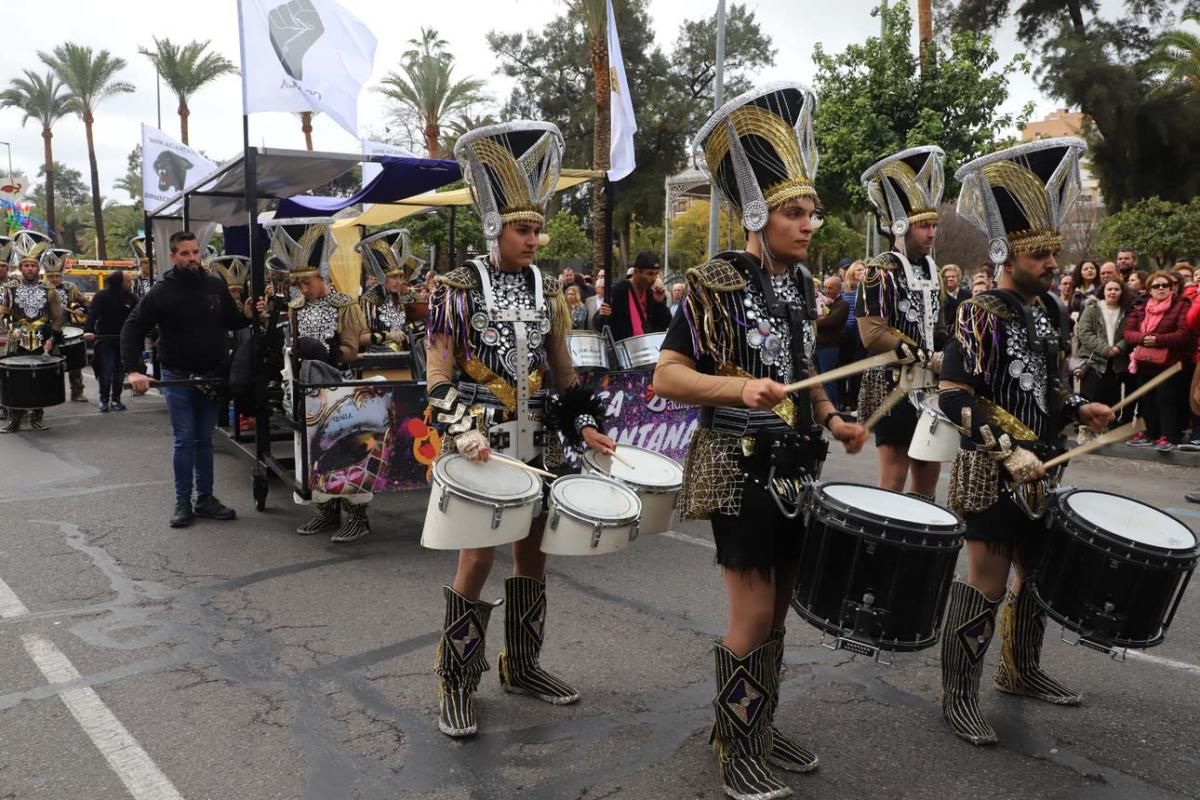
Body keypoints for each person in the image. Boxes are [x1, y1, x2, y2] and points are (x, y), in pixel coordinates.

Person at [653, 84, 867, 800]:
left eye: (813, 211)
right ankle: (733, 744)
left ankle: (758, 723)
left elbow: (805, 366)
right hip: (736, 462)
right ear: (757, 213)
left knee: (779, 610)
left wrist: (833, 417)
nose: (810, 223)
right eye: (795, 212)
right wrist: (737, 388)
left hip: (794, 465)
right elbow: (668, 376)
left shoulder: (802, 285)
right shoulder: (712, 282)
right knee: (749, 613)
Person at [426, 121, 615, 740]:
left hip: (539, 444)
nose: (535, 238)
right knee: (477, 557)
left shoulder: (548, 289)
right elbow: (437, 377)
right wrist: (462, 432)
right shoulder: (456, 291)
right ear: (495, 229)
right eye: (523, 228)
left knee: (534, 555)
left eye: (538, 227)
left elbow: (563, 373)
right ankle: (456, 680)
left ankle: (523, 665)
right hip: (480, 446)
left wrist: (584, 423)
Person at [937, 137, 1114, 747]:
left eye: (1054, 252)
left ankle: (1020, 670)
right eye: (1040, 254)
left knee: (1034, 577)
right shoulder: (978, 312)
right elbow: (953, 396)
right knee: (986, 584)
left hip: (1047, 466)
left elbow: (1047, 389)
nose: (1053, 264)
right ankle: (958, 697)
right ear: (1007, 253)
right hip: (992, 468)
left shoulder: (1053, 314)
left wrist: (1077, 407)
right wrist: (1007, 450)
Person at [122, 231, 256, 527]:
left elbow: (232, 322)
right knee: (185, 441)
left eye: (196, 252)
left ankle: (205, 498)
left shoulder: (214, 285)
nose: (192, 258)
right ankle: (183, 502)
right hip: (178, 378)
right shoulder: (161, 291)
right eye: (185, 253)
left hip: (211, 378)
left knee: (204, 441)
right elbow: (132, 327)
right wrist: (134, 370)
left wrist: (246, 314)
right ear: (173, 256)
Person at [274, 222, 374, 542]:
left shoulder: (344, 304)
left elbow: (352, 352)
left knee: (344, 452)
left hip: (339, 388)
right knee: (311, 453)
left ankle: (357, 517)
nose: (303, 290)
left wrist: (329, 352)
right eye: (298, 284)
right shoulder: (295, 307)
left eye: (308, 283)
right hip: (305, 388)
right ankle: (326, 511)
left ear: (323, 276)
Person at [857, 145, 947, 499]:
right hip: (892, 385)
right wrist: (928, 357)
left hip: (930, 387)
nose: (931, 233)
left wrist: (950, 352)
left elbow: (937, 325)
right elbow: (873, 334)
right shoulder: (880, 270)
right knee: (893, 482)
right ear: (901, 226)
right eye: (924, 225)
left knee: (927, 482)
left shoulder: (932, 269)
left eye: (934, 225)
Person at [0, 231, 63, 433]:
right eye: (26, 265)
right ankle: (14, 420)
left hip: (42, 339)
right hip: (16, 339)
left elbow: (57, 318)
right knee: (13, 381)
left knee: (40, 380)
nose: (30, 268)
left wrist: (53, 339)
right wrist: (12, 329)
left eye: (33, 265)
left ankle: (37, 418)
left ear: (38, 268)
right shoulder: (10, 288)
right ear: (21, 268)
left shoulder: (49, 289)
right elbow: (4, 313)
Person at [1123, 270, 1193, 450]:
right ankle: (1150, 434)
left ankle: (1169, 436)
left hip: (1169, 363)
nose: (1161, 288)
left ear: (1172, 288)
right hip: (1144, 362)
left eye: (1165, 285)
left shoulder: (1181, 305)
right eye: (1156, 286)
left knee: (1166, 400)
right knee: (1148, 400)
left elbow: (1184, 334)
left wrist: (1158, 340)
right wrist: (1143, 338)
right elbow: (1128, 333)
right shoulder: (1140, 307)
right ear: (1149, 290)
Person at [357, 228, 420, 352]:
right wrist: (387, 336)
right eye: (393, 277)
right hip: (378, 358)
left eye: (400, 276)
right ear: (382, 277)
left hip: (403, 356)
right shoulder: (369, 300)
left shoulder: (397, 297)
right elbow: (361, 338)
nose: (399, 281)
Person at [41, 247, 90, 403]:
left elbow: (85, 302)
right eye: (51, 276)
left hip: (67, 328)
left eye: (57, 276)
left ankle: (77, 391)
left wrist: (81, 309)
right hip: (45, 330)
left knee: (74, 362)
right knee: (47, 363)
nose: (54, 279)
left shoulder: (70, 288)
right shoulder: (40, 289)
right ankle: (48, 393)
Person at [84, 270, 136, 412]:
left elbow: (139, 315)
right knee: (106, 371)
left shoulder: (131, 298)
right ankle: (104, 400)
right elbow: (92, 313)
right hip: (105, 339)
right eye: (128, 281)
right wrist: (88, 331)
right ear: (119, 282)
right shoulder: (102, 296)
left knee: (120, 373)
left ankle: (116, 400)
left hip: (123, 340)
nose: (130, 283)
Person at [1075, 279, 1129, 414]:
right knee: (1092, 400)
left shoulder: (1126, 311)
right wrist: (1105, 349)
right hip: (1094, 362)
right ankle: (1087, 431)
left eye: (1116, 289)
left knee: (1112, 403)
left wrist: (1119, 348)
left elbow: (1129, 334)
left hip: (1116, 363)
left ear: (1122, 292)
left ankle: (1110, 431)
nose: (1113, 292)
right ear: (1103, 291)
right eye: (1109, 289)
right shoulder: (1093, 308)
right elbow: (1084, 332)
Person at [593, 250, 672, 340]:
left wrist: (659, 303)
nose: (653, 279)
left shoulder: (652, 293)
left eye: (656, 274)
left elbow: (666, 323)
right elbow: (600, 325)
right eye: (649, 274)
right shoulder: (619, 291)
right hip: (624, 349)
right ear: (636, 271)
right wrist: (601, 315)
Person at [814, 274, 848, 406]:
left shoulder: (842, 305)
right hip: (817, 345)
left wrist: (816, 321)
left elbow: (831, 322)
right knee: (816, 381)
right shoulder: (821, 300)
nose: (827, 290)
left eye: (830, 288)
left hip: (829, 348)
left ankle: (831, 408)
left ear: (839, 289)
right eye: (825, 287)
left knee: (828, 380)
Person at [839, 262, 864, 409]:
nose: (863, 271)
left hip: (860, 333)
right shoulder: (843, 289)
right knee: (843, 367)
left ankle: (854, 401)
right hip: (845, 333)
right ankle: (842, 400)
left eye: (864, 269)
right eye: (859, 269)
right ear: (852, 272)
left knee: (856, 369)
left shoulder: (867, 288)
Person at [130, 235, 155, 302]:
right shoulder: (135, 280)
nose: (149, 265)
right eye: (146, 263)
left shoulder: (159, 279)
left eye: (151, 263)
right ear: (140, 264)